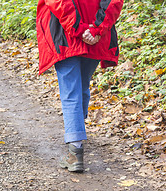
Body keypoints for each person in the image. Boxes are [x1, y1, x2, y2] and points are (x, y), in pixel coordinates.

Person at [36, 0, 123, 172]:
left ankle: (75, 150)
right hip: (96, 35)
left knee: (71, 92)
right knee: (81, 86)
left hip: (65, 35)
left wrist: (80, 29)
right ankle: (77, 131)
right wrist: (97, 28)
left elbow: (59, 2)